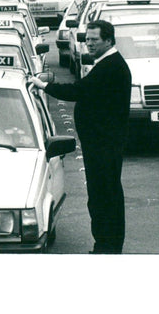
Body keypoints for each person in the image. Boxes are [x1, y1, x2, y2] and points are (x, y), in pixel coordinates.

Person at [29, 20, 131, 254]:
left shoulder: (110, 67)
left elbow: (78, 91)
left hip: (103, 146)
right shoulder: (108, 64)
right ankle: (108, 245)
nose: (89, 44)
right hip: (103, 144)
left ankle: (106, 247)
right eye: (87, 40)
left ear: (109, 40)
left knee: (102, 197)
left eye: (95, 40)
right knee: (106, 195)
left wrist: (45, 86)